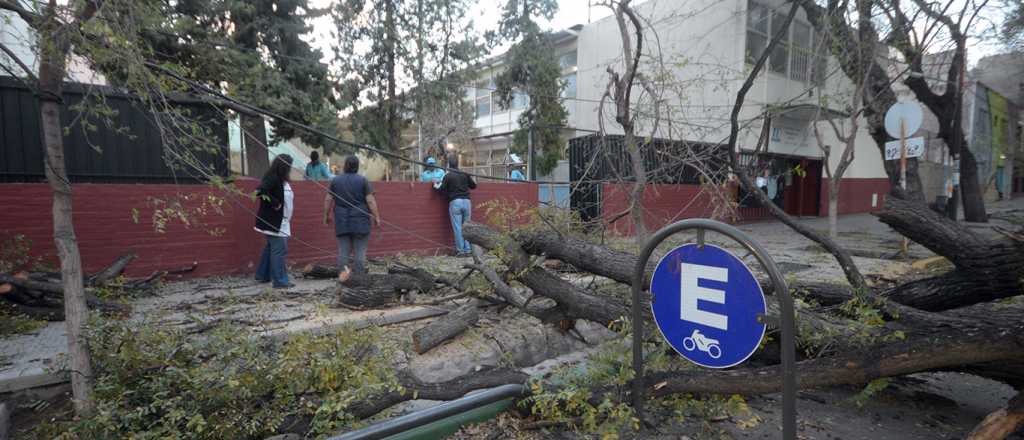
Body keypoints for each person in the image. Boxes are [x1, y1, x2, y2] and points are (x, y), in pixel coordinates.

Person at [325, 155, 381, 274]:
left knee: (343, 252)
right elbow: (370, 201)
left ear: (345, 166)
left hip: (342, 220)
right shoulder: (362, 180)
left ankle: (344, 277)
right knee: (360, 251)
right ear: (357, 166)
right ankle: (358, 279)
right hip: (360, 221)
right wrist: (377, 217)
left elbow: (328, 200)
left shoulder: (336, 180)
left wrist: (326, 215)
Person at [255, 154, 295, 289]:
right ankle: (280, 281)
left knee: (271, 248)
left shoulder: (280, 179)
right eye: (289, 166)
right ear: (284, 166)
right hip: (274, 222)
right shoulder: (273, 178)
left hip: (280, 221)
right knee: (279, 250)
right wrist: (274, 203)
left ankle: (263, 275)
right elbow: (260, 192)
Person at [435, 156, 476, 256]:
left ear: (449, 164)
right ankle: (468, 250)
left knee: (458, 228)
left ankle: (460, 251)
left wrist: (436, 185)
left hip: (455, 202)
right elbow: (474, 186)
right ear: (458, 164)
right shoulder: (465, 174)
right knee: (467, 227)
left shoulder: (448, 176)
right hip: (467, 201)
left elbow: (441, 191)